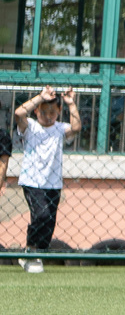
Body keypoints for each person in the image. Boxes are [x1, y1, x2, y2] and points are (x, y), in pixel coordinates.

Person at [13, 86, 81, 273]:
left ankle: (36, 253)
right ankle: (30, 251)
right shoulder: (31, 127)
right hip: (32, 181)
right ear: (37, 111)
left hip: (53, 183)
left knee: (49, 220)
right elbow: (19, 113)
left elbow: (76, 127)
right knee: (41, 215)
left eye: (53, 111)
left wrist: (71, 103)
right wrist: (39, 97)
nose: (49, 116)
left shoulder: (60, 129)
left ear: (59, 112)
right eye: (44, 111)